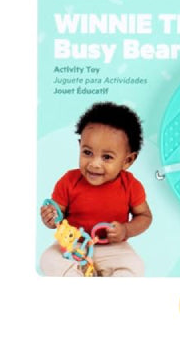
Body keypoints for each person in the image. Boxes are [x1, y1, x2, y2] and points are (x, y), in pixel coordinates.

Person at [39, 102, 152, 277]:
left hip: (113, 248)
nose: (94, 164)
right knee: (48, 259)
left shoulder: (130, 185)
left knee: (135, 265)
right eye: (87, 152)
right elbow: (57, 217)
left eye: (107, 157)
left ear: (127, 160)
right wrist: (50, 218)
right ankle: (76, 277)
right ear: (80, 146)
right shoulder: (69, 181)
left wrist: (126, 230)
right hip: (73, 245)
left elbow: (144, 216)